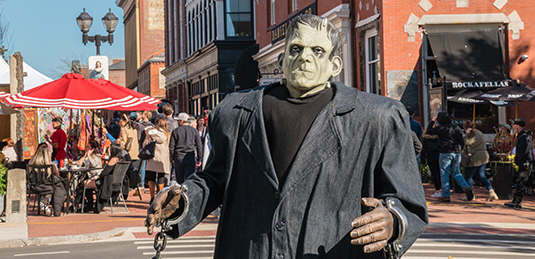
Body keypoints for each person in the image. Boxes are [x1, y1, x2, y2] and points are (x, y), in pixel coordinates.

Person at [145, 14, 428, 258]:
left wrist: (392, 220)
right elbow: (215, 179)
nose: (304, 57)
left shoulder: (378, 118)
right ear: (282, 59)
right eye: (296, 48)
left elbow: (407, 202)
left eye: (317, 50)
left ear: (335, 65)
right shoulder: (234, 112)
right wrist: (184, 200)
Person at [424, 111, 474, 202]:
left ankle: (446, 194)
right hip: (457, 152)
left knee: (444, 173)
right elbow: (462, 141)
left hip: (445, 151)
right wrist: (460, 150)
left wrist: (432, 121)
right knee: (456, 172)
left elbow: (429, 131)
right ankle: (466, 187)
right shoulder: (456, 128)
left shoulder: (441, 128)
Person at [504, 119, 535, 210]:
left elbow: (523, 151)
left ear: (518, 126)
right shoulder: (523, 136)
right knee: (534, 183)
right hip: (528, 162)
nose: (512, 126)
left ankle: (516, 202)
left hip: (526, 163)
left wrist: (517, 160)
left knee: (520, 181)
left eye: (513, 125)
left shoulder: (524, 137)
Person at [461, 121, 498, 201]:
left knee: (468, 176)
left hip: (475, 158)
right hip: (484, 157)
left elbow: (465, 142)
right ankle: (491, 192)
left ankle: (471, 196)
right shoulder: (479, 132)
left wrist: (466, 134)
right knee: (482, 175)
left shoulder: (472, 135)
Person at [28, 144, 67, 216]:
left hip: (35, 187)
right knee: (58, 187)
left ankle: (45, 200)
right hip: (48, 187)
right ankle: (55, 208)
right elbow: (57, 175)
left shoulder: (31, 164)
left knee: (54, 187)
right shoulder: (51, 165)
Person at [169, 112, 203, 184]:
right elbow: (199, 146)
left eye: (178, 121)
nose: (177, 122)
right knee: (189, 179)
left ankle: (180, 194)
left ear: (182, 121)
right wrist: (200, 158)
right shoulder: (194, 131)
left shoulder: (176, 131)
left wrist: (172, 158)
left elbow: (171, 147)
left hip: (179, 157)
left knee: (180, 180)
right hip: (190, 157)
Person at [144, 118, 172, 204]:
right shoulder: (168, 134)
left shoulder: (152, 133)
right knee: (161, 177)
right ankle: (159, 197)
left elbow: (145, 141)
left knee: (151, 177)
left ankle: (152, 196)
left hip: (153, 157)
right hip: (163, 159)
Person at [73, 140, 103, 212]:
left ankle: (76, 205)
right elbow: (79, 164)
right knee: (80, 184)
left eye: (88, 147)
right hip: (88, 176)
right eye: (86, 147)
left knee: (81, 185)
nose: (86, 149)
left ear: (92, 149)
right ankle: (87, 204)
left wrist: (89, 155)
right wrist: (84, 156)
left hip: (95, 177)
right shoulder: (87, 157)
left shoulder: (96, 156)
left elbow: (94, 164)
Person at [421, 118, 442, 198]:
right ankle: (443, 189)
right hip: (439, 154)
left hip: (430, 155)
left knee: (434, 173)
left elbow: (423, 149)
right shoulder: (439, 137)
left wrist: (422, 160)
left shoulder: (425, 138)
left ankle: (437, 190)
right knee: (441, 173)